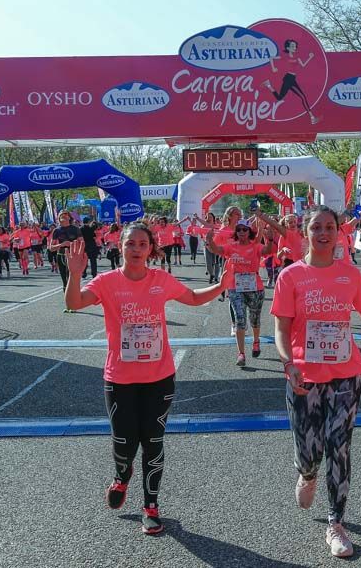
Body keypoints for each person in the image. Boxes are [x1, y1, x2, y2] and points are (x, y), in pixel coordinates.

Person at [63, 225, 228, 535]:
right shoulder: (108, 282)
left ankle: (151, 506)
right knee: (125, 441)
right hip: (120, 378)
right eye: (131, 244)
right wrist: (74, 273)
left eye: (143, 244)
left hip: (159, 376)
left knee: (152, 442)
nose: (137, 249)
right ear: (120, 247)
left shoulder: (159, 280)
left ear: (151, 248)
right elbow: (75, 303)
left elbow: (192, 298)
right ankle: (121, 478)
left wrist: (222, 285)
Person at [271, 205, 361, 558]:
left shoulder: (348, 274)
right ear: (305, 232)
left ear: (338, 232)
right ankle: (307, 472)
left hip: (347, 374)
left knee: (340, 445)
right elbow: (282, 327)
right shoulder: (290, 277)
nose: (323, 232)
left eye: (330, 226)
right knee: (309, 449)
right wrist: (288, 363)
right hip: (303, 375)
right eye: (316, 226)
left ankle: (336, 522)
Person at [205, 219, 273, 366]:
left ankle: (256, 341)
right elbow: (217, 250)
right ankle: (241, 353)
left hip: (255, 287)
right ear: (236, 232)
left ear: (249, 232)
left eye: (245, 229)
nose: (242, 232)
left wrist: (270, 237)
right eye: (239, 229)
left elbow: (268, 251)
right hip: (235, 287)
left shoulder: (255, 246)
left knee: (254, 319)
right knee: (239, 318)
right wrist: (209, 240)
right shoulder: (231, 246)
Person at [263, 39, 318, 125]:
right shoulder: (284, 56)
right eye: (292, 46)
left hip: (292, 79)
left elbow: (303, 65)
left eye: (295, 46)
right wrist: (273, 68)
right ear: (288, 47)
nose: (294, 47)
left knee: (281, 97)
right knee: (302, 97)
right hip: (288, 79)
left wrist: (310, 58)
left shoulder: (297, 56)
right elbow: (271, 58)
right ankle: (312, 118)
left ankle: (268, 85)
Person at [49, 211, 82, 311]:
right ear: (59, 218)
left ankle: (75, 304)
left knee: (71, 280)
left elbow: (82, 242)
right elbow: (51, 247)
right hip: (61, 255)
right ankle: (68, 305)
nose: (63, 216)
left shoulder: (75, 229)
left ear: (69, 218)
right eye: (61, 215)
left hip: (72, 256)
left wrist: (73, 245)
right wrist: (61, 245)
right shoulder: (56, 230)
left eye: (65, 215)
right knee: (64, 280)